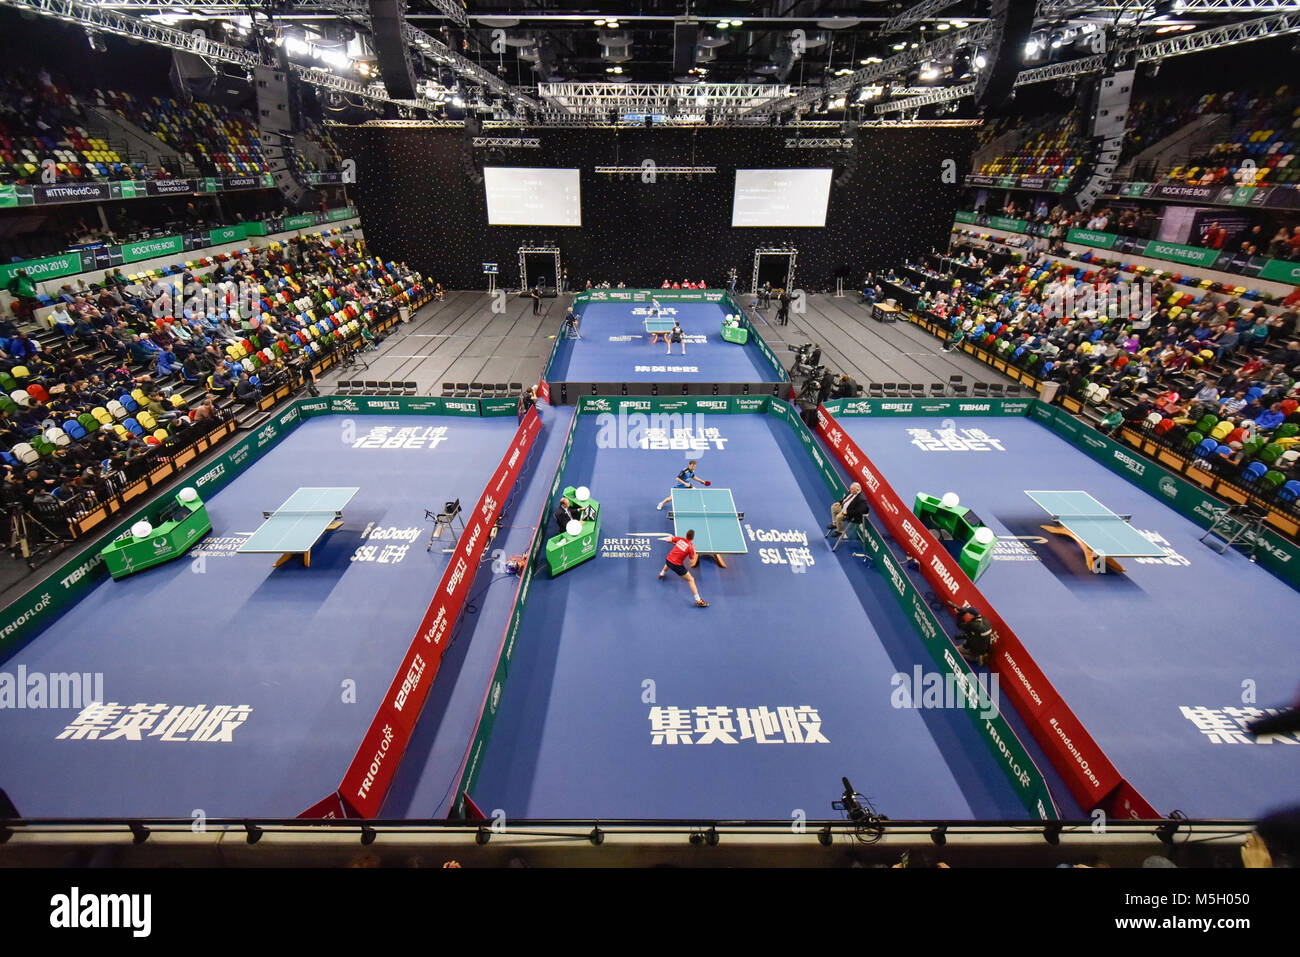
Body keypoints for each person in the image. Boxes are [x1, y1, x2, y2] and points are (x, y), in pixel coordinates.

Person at [657, 528, 708, 607]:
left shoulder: (680, 539)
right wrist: (694, 551)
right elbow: (692, 562)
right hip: (676, 566)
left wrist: (678, 545)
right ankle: (698, 600)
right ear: (693, 538)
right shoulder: (690, 547)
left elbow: (669, 540)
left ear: (686, 535)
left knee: (670, 561)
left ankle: (661, 574)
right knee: (691, 579)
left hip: (668, 559)